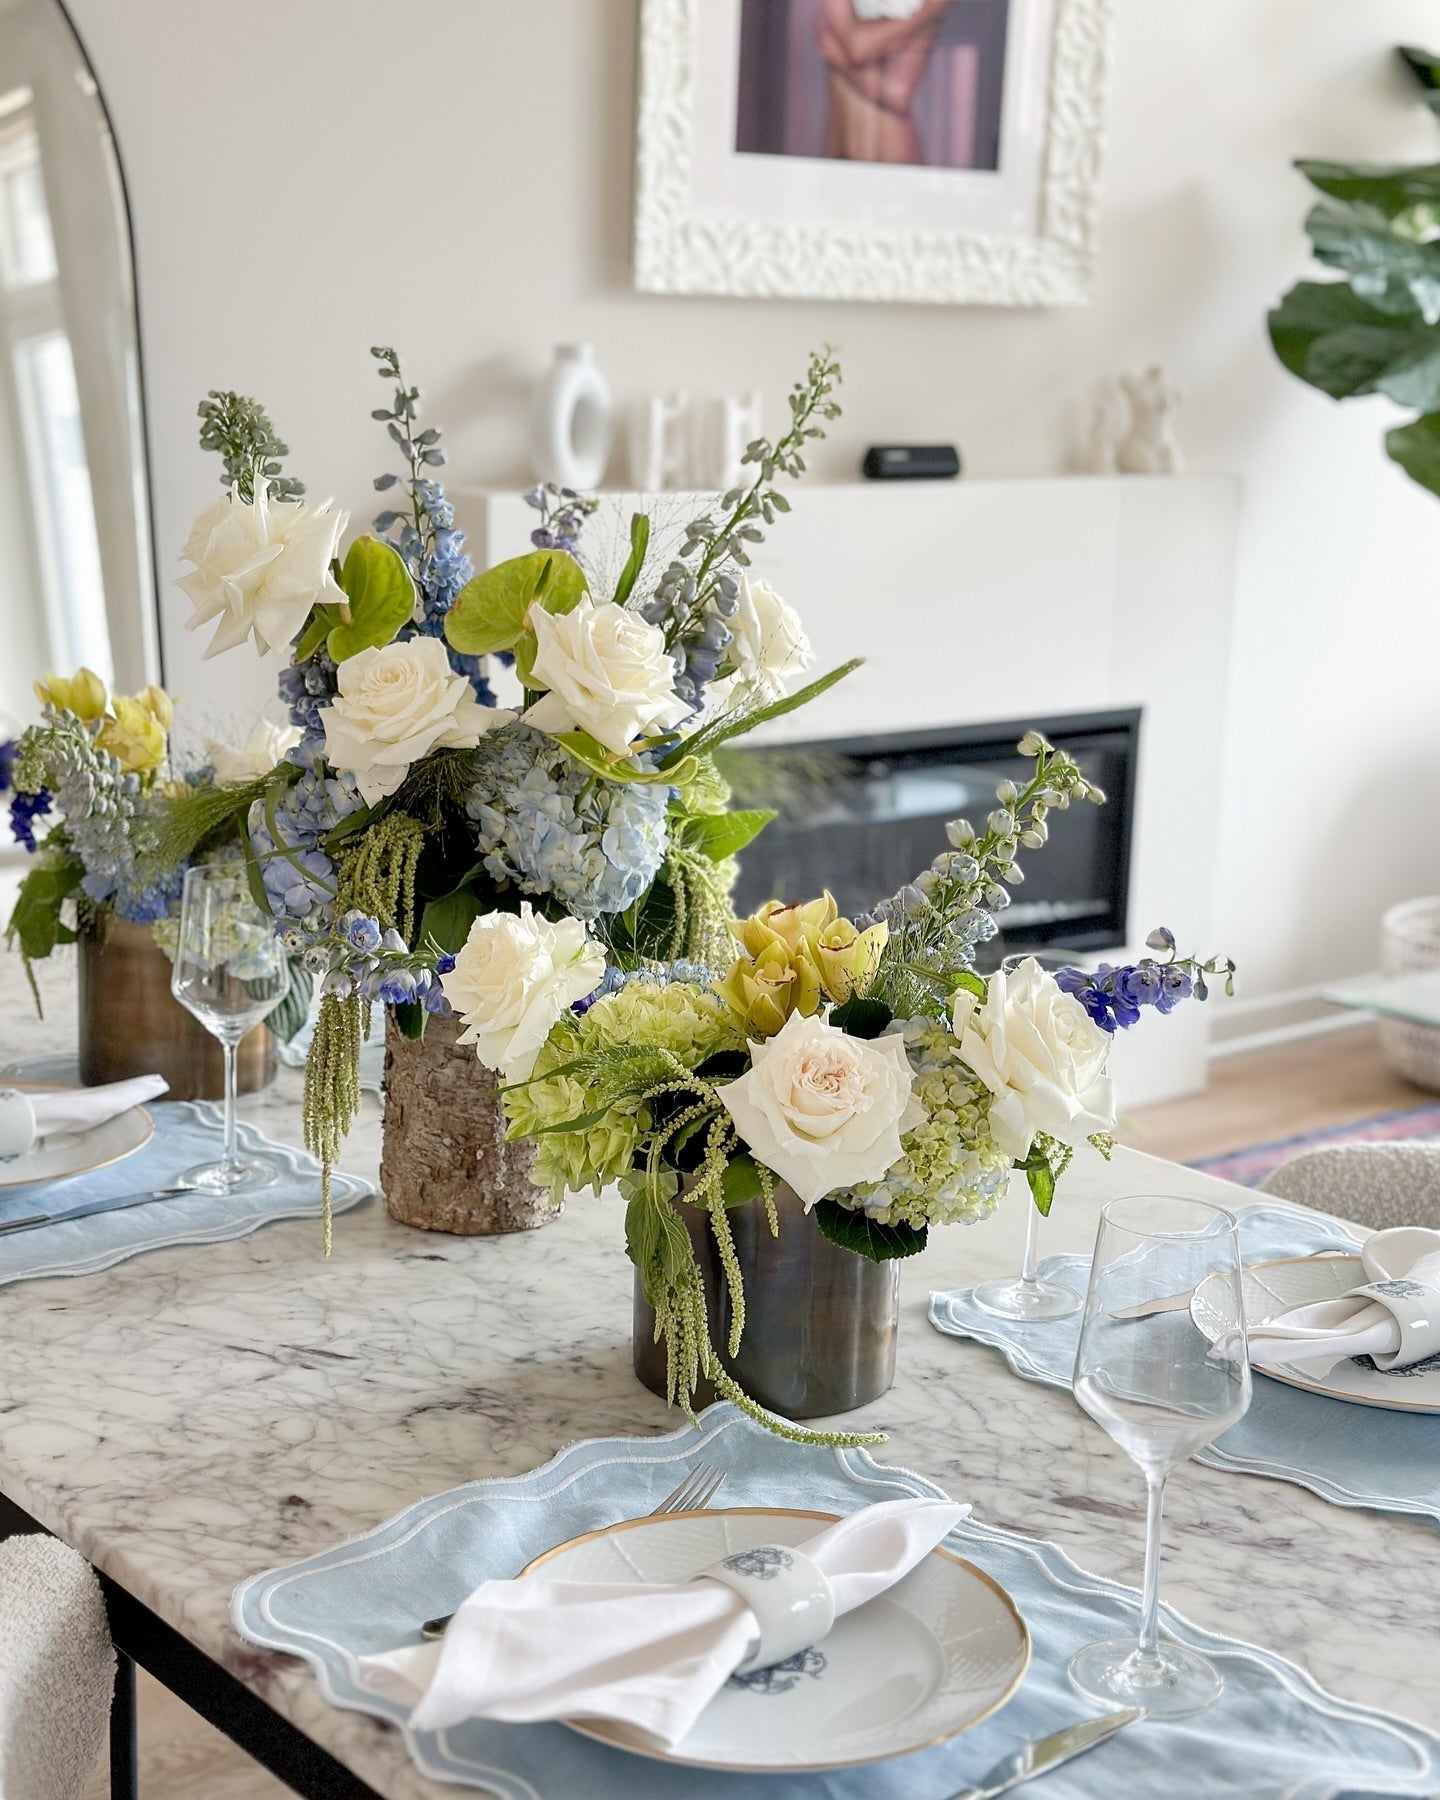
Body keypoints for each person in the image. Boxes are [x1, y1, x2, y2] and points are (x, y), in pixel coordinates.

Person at [815, 0, 958, 165]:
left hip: (892, 157)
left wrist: (837, 57)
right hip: (837, 150)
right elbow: (853, 43)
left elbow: (898, 92)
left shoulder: (925, 6)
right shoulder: (926, 9)